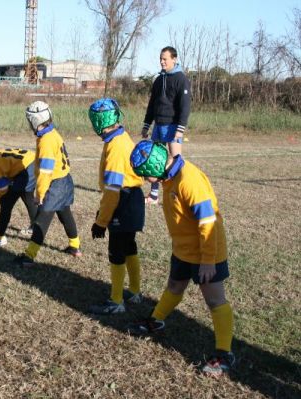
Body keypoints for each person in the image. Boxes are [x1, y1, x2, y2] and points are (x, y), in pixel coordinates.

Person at [128, 140, 235, 377]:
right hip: (183, 250)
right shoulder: (168, 177)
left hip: (206, 252)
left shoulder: (189, 180)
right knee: (174, 287)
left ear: (155, 167)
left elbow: (208, 222)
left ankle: (224, 353)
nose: (147, 180)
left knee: (215, 300)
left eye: (146, 175)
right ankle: (156, 320)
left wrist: (207, 260)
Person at [87, 99, 146, 315]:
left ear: (99, 121)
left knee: (117, 252)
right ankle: (135, 292)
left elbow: (112, 191)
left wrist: (101, 222)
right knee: (129, 247)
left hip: (124, 201)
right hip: (133, 199)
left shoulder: (116, 146)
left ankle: (116, 301)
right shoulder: (120, 137)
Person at [14, 101, 81, 267]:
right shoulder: (52, 133)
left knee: (41, 220)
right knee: (65, 214)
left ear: (35, 121)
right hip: (65, 180)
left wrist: (40, 194)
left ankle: (29, 257)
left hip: (55, 184)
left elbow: (45, 171)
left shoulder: (46, 140)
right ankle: (75, 247)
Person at [141, 46, 191, 205]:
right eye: (161, 59)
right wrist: (146, 124)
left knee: (176, 162)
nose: (162, 61)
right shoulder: (158, 79)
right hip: (158, 126)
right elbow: (152, 104)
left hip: (173, 126)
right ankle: (154, 195)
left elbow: (185, 106)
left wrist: (180, 128)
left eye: (165, 59)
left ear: (174, 59)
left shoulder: (181, 79)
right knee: (154, 161)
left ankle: (180, 195)